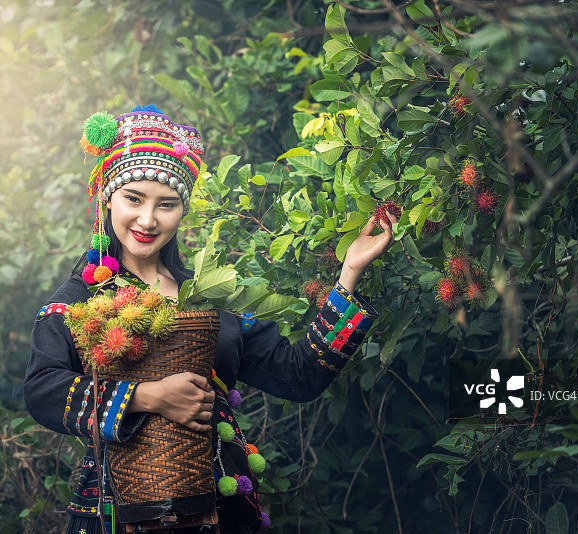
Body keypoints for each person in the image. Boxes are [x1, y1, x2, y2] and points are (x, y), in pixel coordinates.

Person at [24, 104, 396, 534]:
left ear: (182, 212)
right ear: (107, 197)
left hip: (220, 511)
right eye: (133, 199)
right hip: (118, 515)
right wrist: (146, 395)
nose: (148, 219)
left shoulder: (205, 299)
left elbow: (300, 376)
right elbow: (41, 390)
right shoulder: (78, 301)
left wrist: (349, 272)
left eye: (166, 204)